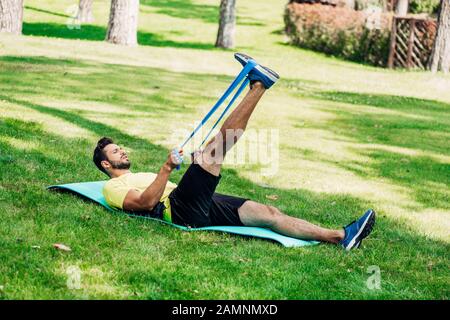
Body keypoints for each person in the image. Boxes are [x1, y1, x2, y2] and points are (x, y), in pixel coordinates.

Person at [92, 53, 375, 250]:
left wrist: (188, 168)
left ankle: (341, 237)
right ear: (106, 164)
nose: (123, 152)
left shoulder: (138, 173)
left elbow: (169, 187)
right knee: (215, 151)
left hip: (195, 204)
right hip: (177, 211)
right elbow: (144, 204)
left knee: (268, 212)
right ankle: (259, 84)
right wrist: (167, 169)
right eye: (116, 152)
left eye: (121, 148)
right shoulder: (112, 187)